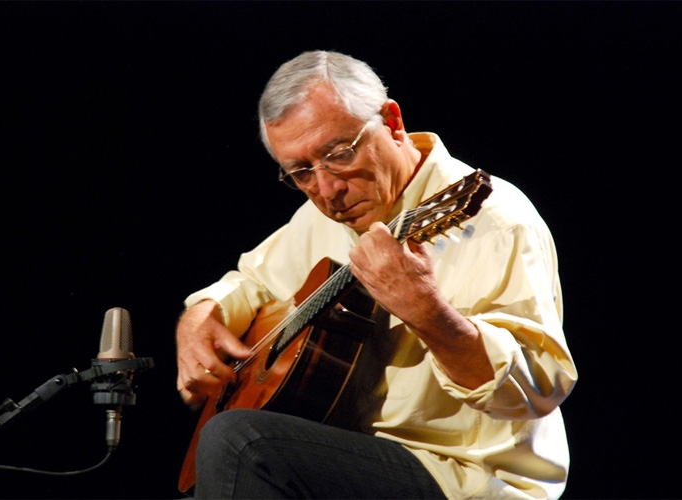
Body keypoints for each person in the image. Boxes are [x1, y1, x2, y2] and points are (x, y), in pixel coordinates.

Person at [175, 50, 577, 500]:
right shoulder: (324, 216)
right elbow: (251, 280)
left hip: (464, 477)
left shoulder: (497, 221)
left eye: (339, 154)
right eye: (301, 173)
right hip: (346, 461)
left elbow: (535, 392)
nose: (327, 190)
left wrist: (427, 312)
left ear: (392, 121)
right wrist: (200, 316)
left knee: (241, 443)